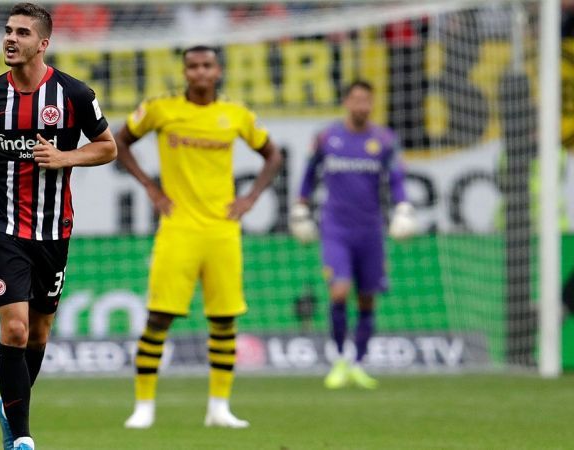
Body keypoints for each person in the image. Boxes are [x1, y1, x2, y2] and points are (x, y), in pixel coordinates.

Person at [0, 4, 116, 450]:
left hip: (53, 229)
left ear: (42, 44)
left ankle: (8, 406)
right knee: (16, 330)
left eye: (22, 32)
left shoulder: (74, 95)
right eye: (8, 30)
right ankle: (21, 438)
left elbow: (107, 147)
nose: (11, 38)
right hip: (2, 223)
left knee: (40, 333)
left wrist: (66, 157)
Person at [116, 45, 283, 429]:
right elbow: (119, 141)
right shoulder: (161, 109)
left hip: (223, 231)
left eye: (207, 65)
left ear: (218, 71)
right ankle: (143, 407)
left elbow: (273, 155)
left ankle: (219, 407)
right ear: (185, 72)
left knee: (224, 321)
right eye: (193, 66)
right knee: (158, 316)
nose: (200, 72)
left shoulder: (236, 115)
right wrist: (151, 188)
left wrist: (251, 197)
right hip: (178, 228)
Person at [289, 80, 416, 390]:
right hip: (336, 229)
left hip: (370, 230)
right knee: (339, 291)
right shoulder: (327, 137)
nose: (361, 106)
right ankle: (339, 360)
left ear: (372, 104)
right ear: (346, 102)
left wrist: (402, 207)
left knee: (367, 299)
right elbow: (309, 175)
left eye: (367, 101)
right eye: (356, 99)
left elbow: (396, 178)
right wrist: (300, 207)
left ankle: (357, 363)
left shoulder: (384, 140)